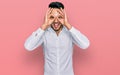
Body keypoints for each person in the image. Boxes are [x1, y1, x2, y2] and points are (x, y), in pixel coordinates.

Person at [24, 1, 90, 75]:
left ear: (64, 17)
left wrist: (67, 24)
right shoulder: (44, 33)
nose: (56, 21)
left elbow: (85, 44)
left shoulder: (70, 32)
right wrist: (43, 26)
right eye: (52, 17)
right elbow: (28, 46)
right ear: (47, 17)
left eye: (60, 17)